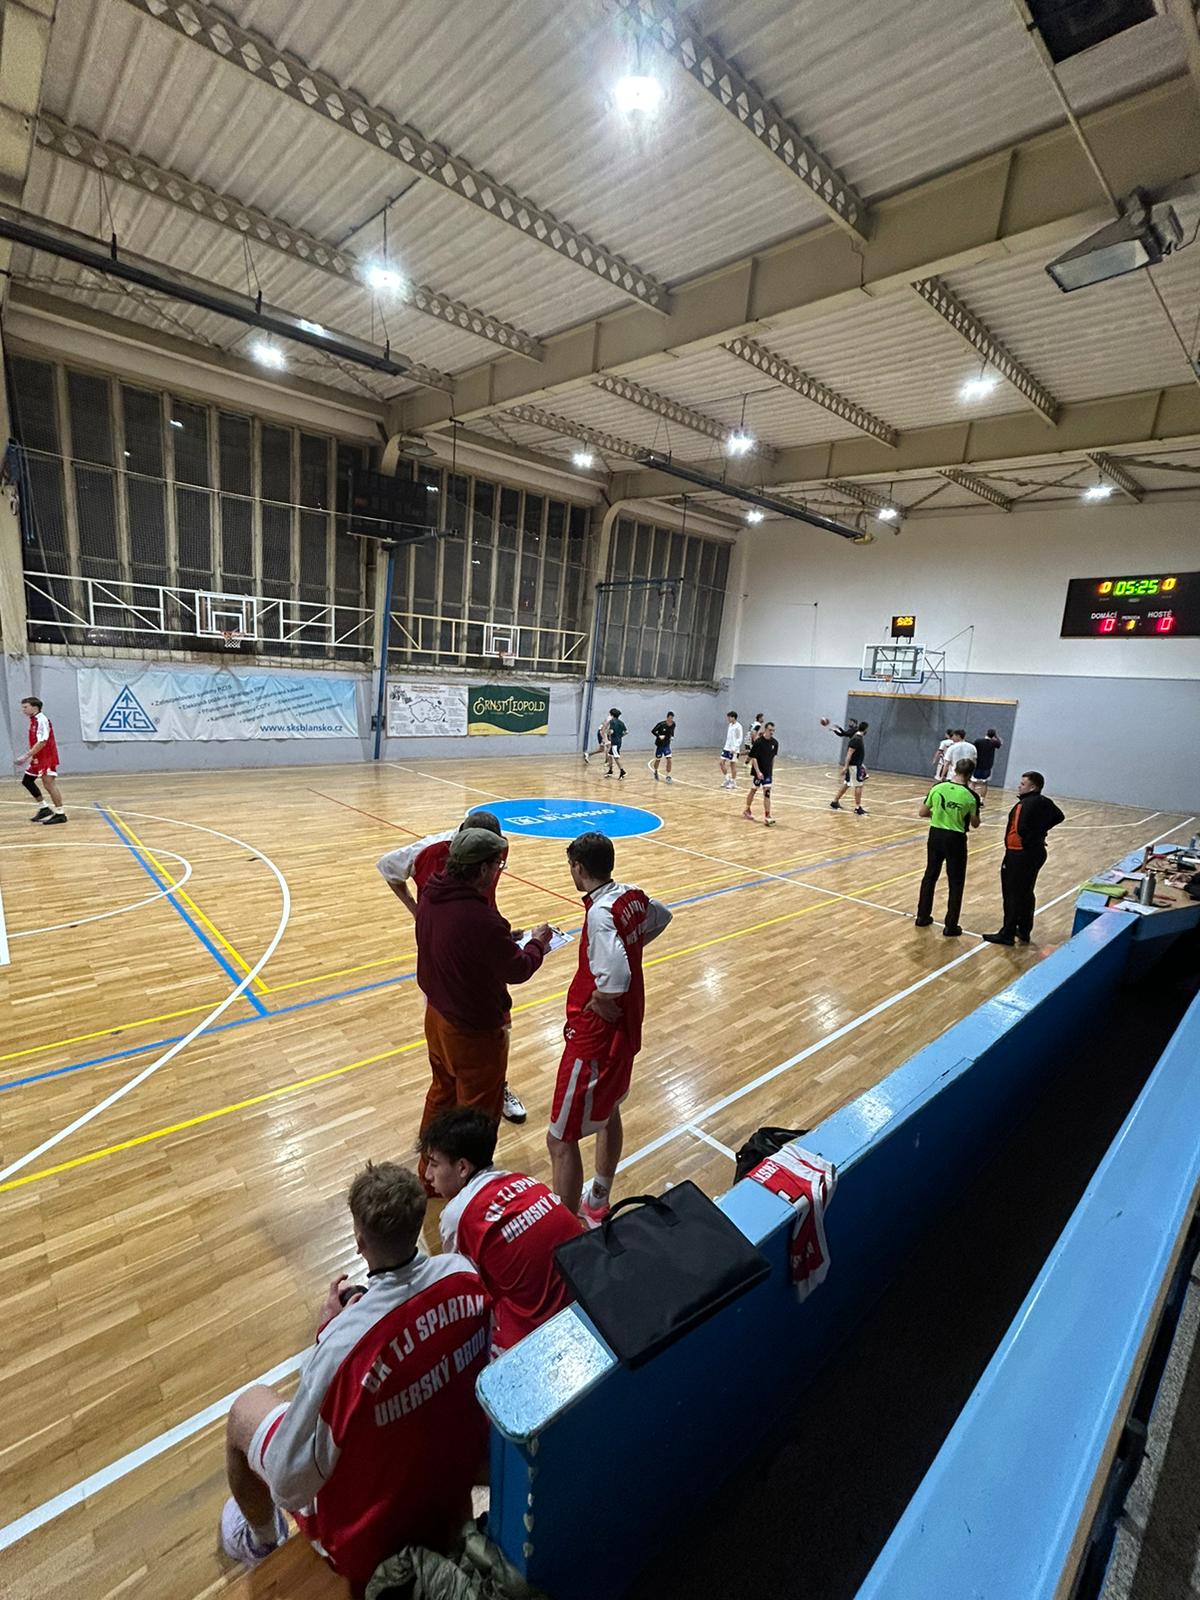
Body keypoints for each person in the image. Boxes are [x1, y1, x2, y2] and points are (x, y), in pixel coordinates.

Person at [219, 1161, 490, 1584]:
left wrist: (328, 1334)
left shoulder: (343, 1348)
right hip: (451, 1494)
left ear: (360, 1241)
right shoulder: (466, 1277)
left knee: (245, 1410)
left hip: (372, 1545)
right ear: (419, 1223)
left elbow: (289, 1485)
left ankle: (261, 1541)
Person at [549, 832, 672, 1225]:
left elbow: (616, 979)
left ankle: (565, 1234)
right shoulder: (630, 894)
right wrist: (631, 950)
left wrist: (601, 998)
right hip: (627, 1029)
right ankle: (598, 1199)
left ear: (579, 868)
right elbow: (662, 916)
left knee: (560, 1139)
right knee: (610, 1110)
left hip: (595, 1039)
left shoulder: (600, 913)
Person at [379, 811, 528, 1125]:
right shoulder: (429, 851)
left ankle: (488, 1088)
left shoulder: (490, 857)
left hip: (477, 938)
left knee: (462, 1035)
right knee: (467, 1033)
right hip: (449, 947)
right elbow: (388, 866)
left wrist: (496, 934)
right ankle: (476, 1098)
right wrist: (414, 909)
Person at [415, 828, 551, 1164]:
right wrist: (538, 944)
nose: (498, 872)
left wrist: (501, 940)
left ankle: (429, 1170)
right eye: (497, 865)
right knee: (478, 1116)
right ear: (481, 869)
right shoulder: (480, 917)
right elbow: (517, 969)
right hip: (472, 1032)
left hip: (436, 1017)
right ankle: (468, 1179)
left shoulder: (431, 894)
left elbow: (461, 944)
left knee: (442, 1094)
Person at [422, 1107, 581, 1354]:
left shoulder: (457, 1215)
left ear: (462, 1168)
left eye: (434, 1164)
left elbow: (464, 1293)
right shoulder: (524, 1180)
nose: (427, 1175)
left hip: (543, 1337)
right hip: (590, 1298)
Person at [983, 772, 1066, 946]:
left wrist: (1031, 839)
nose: (1019, 786)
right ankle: (1024, 930)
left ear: (1033, 787)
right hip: (1035, 853)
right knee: (1026, 892)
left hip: (1019, 854)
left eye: (1023, 784)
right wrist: (1040, 834)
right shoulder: (1045, 801)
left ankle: (1007, 933)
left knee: (1012, 893)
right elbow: (1059, 816)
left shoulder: (1024, 805)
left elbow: (1021, 829)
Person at [914, 757, 980, 937]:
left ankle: (922, 916)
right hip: (956, 839)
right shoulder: (971, 796)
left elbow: (922, 812)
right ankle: (951, 926)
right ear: (970, 774)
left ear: (954, 769)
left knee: (930, 875)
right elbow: (975, 823)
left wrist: (938, 814)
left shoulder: (937, 788)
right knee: (956, 881)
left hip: (935, 835)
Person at [16, 696, 66, 824]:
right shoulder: (33, 720)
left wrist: (26, 756)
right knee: (27, 781)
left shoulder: (42, 720)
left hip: (47, 757)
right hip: (37, 757)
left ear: (35, 707)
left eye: (25, 707)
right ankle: (44, 808)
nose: (23, 710)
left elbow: (42, 742)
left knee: (49, 784)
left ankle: (60, 813)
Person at [828, 719, 869, 815]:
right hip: (853, 767)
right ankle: (857, 808)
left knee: (847, 784)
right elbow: (849, 754)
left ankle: (834, 802)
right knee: (859, 785)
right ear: (865, 729)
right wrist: (845, 767)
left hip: (855, 765)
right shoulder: (856, 739)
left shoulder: (857, 738)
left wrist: (861, 764)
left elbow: (856, 754)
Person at [743, 719, 779, 826]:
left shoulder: (775, 743)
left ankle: (767, 816)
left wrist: (771, 770)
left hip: (767, 772)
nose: (771, 732)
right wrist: (758, 772)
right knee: (753, 790)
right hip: (758, 771)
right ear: (765, 729)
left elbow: (773, 758)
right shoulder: (758, 742)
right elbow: (754, 758)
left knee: (767, 793)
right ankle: (747, 809)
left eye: (773, 730)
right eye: (770, 730)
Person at [972, 728, 1003, 798]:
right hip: (987, 766)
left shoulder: (978, 741)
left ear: (986, 733)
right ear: (994, 735)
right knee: (984, 783)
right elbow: (1000, 743)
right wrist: (996, 736)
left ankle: (972, 796)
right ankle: (982, 799)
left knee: (973, 782)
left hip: (977, 764)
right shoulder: (993, 743)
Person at [719, 710, 743, 790]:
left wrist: (735, 748)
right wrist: (726, 747)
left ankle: (733, 782)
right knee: (721, 763)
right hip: (727, 747)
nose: (728, 719)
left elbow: (740, 738)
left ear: (733, 717)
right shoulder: (730, 725)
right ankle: (727, 778)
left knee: (733, 765)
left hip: (734, 749)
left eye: (729, 717)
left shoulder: (738, 726)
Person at [650, 711, 676, 782]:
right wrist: (659, 736)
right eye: (670, 718)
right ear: (667, 717)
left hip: (667, 745)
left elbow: (672, 731)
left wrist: (672, 736)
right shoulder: (661, 724)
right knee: (658, 759)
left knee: (669, 759)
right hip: (660, 745)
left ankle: (668, 775)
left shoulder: (673, 724)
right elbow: (653, 731)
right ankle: (655, 771)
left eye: (672, 718)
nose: (671, 720)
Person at [604, 707, 627, 779]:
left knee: (616, 757)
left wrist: (607, 733)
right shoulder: (621, 722)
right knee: (609, 755)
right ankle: (610, 770)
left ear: (612, 715)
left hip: (615, 743)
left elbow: (611, 731)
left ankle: (622, 771)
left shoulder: (612, 722)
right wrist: (620, 736)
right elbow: (626, 732)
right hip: (618, 741)